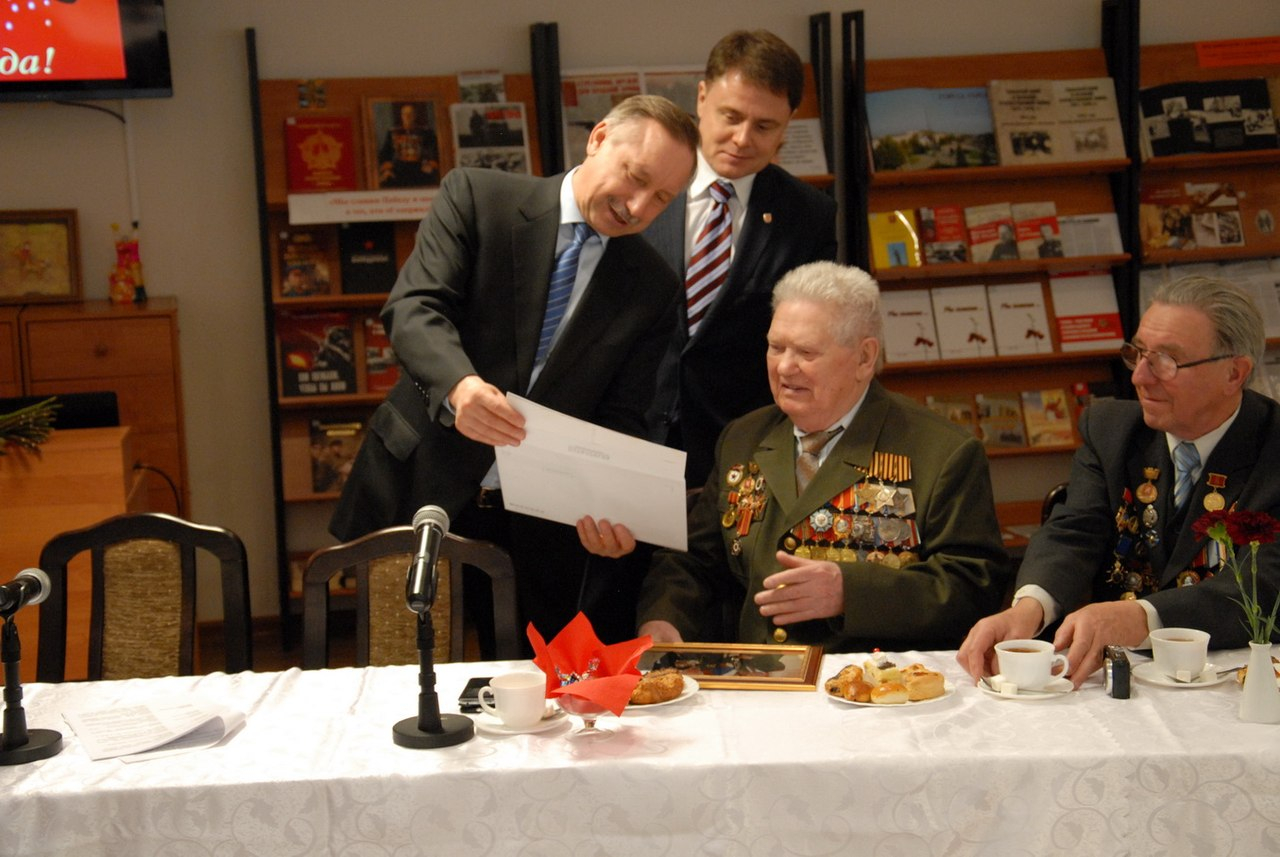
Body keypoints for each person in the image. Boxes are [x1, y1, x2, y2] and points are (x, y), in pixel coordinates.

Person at [331, 95, 700, 651]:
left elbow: (624, 415)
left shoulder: (652, 285)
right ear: (598, 139)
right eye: (636, 177)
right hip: (422, 485)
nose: (638, 206)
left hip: (540, 526)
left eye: (661, 198)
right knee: (400, 672)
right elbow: (415, 307)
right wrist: (460, 387)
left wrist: (612, 504)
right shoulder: (479, 198)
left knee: (524, 688)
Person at [635, 262, 1009, 651]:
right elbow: (695, 560)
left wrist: (851, 593)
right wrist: (664, 617)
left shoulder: (942, 451)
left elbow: (973, 586)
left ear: (865, 358)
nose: (784, 366)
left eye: (806, 352)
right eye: (776, 347)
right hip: (757, 678)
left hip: (876, 681)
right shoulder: (743, 437)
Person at [957, 275, 1280, 686]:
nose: (1139, 377)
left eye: (1167, 361)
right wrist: (1028, 608)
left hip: (1238, 682)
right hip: (1118, 683)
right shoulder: (1111, 430)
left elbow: (1266, 584)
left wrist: (1143, 617)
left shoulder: (1272, 448)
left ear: (1234, 373)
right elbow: (1075, 531)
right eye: (1138, 354)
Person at [644, 29, 838, 489]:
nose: (742, 139)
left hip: (742, 452)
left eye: (765, 126)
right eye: (730, 117)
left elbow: (814, 341)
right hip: (630, 436)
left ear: (788, 123)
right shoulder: (639, 184)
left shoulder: (809, 216)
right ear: (702, 97)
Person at [377, 102, 441, 188]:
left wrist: (431, 164)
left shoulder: (426, 133)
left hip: (420, 168)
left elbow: (434, 151)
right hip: (399, 168)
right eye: (404, 114)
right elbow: (385, 153)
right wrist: (387, 168)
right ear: (401, 116)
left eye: (410, 114)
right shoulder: (393, 132)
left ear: (415, 116)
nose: (407, 117)